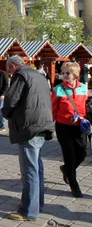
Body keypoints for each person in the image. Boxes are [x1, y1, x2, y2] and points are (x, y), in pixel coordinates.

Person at [2, 56, 54, 222]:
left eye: (9, 68)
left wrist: (6, 114)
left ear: (14, 66)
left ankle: (28, 211)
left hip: (28, 127)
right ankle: (37, 204)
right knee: (37, 168)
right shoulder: (39, 75)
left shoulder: (21, 76)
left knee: (29, 171)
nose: (8, 72)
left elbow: (11, 99)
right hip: (42, 124)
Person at [52, 62, 88, 198]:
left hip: (80, 126)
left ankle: (66, 169)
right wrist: (50, 126)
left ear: (75, 75)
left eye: (67, 73)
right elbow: (53, 109)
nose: (64, 75)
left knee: (82, 153)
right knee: (70, 156)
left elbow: (85, 105)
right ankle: (74, 185)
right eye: (63, 73)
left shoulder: (83, 88)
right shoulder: (58, 89)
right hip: (63, 126)